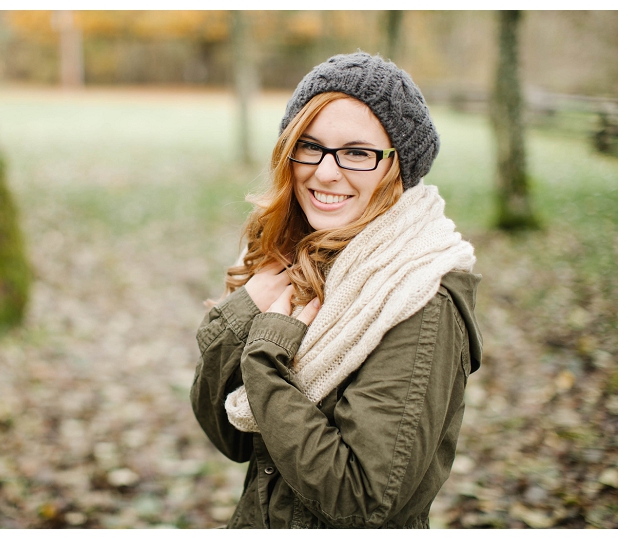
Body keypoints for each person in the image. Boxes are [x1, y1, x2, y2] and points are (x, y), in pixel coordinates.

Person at [190, 51, 482, 529]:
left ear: (399, 167)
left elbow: (362, 498)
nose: (325, 172)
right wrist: (243, 311)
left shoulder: (419, 296)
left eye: (357, 153)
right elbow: (232, 438)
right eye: (311, 146)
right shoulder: (302, 261)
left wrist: (266, 359)